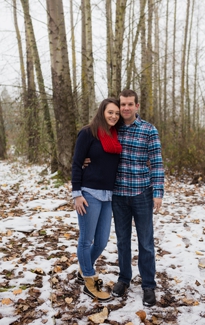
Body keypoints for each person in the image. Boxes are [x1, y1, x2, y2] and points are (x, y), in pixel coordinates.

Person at [110, 89, 165, 306]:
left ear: (137, 106)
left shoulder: (148, 130)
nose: (125, 108)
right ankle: (124, 279)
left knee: (146, 243)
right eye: (122, 104)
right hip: (118, 195)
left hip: (142, 193)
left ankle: (149, 285)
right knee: (123, 241)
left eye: (129, 104)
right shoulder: (112, 129)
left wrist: (158, 192)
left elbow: (157, 162)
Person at [71, 98, 123, 302]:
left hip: (108, 195)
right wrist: (77, 194)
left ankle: (84, 269)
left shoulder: (115, 136)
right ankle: (89, 280)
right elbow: (76, 163)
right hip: (89, 193)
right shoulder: (88, 133)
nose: (113, 116)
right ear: (102, 112)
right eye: (110, 112)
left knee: (101, 241)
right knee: (86, 240)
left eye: (116, 113)